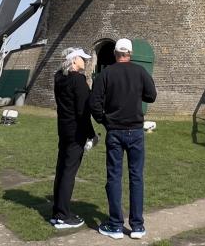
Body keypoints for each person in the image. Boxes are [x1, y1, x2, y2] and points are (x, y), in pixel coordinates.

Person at [90, 38, 156, 239]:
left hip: (115, 131)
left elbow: (94, 103)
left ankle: (115, 225)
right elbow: (151, 96)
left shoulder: (106, 73)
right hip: (135, 130)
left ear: (115, 53)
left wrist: (104, 121)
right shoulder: (140, 72)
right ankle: (137, 226)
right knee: (136, 177)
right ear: (131, 53)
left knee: (114, 176)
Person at [50, 47, 94, 230]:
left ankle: (57, 212)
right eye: (82, 58)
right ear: (74, 60)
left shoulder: (59, 77)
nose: (85, 61)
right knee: (69, 172)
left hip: (64, 128)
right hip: (76, 132)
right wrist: (91, 134)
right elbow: (83, 111)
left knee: (62, 169)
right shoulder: (78, 80)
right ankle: (62, 216)